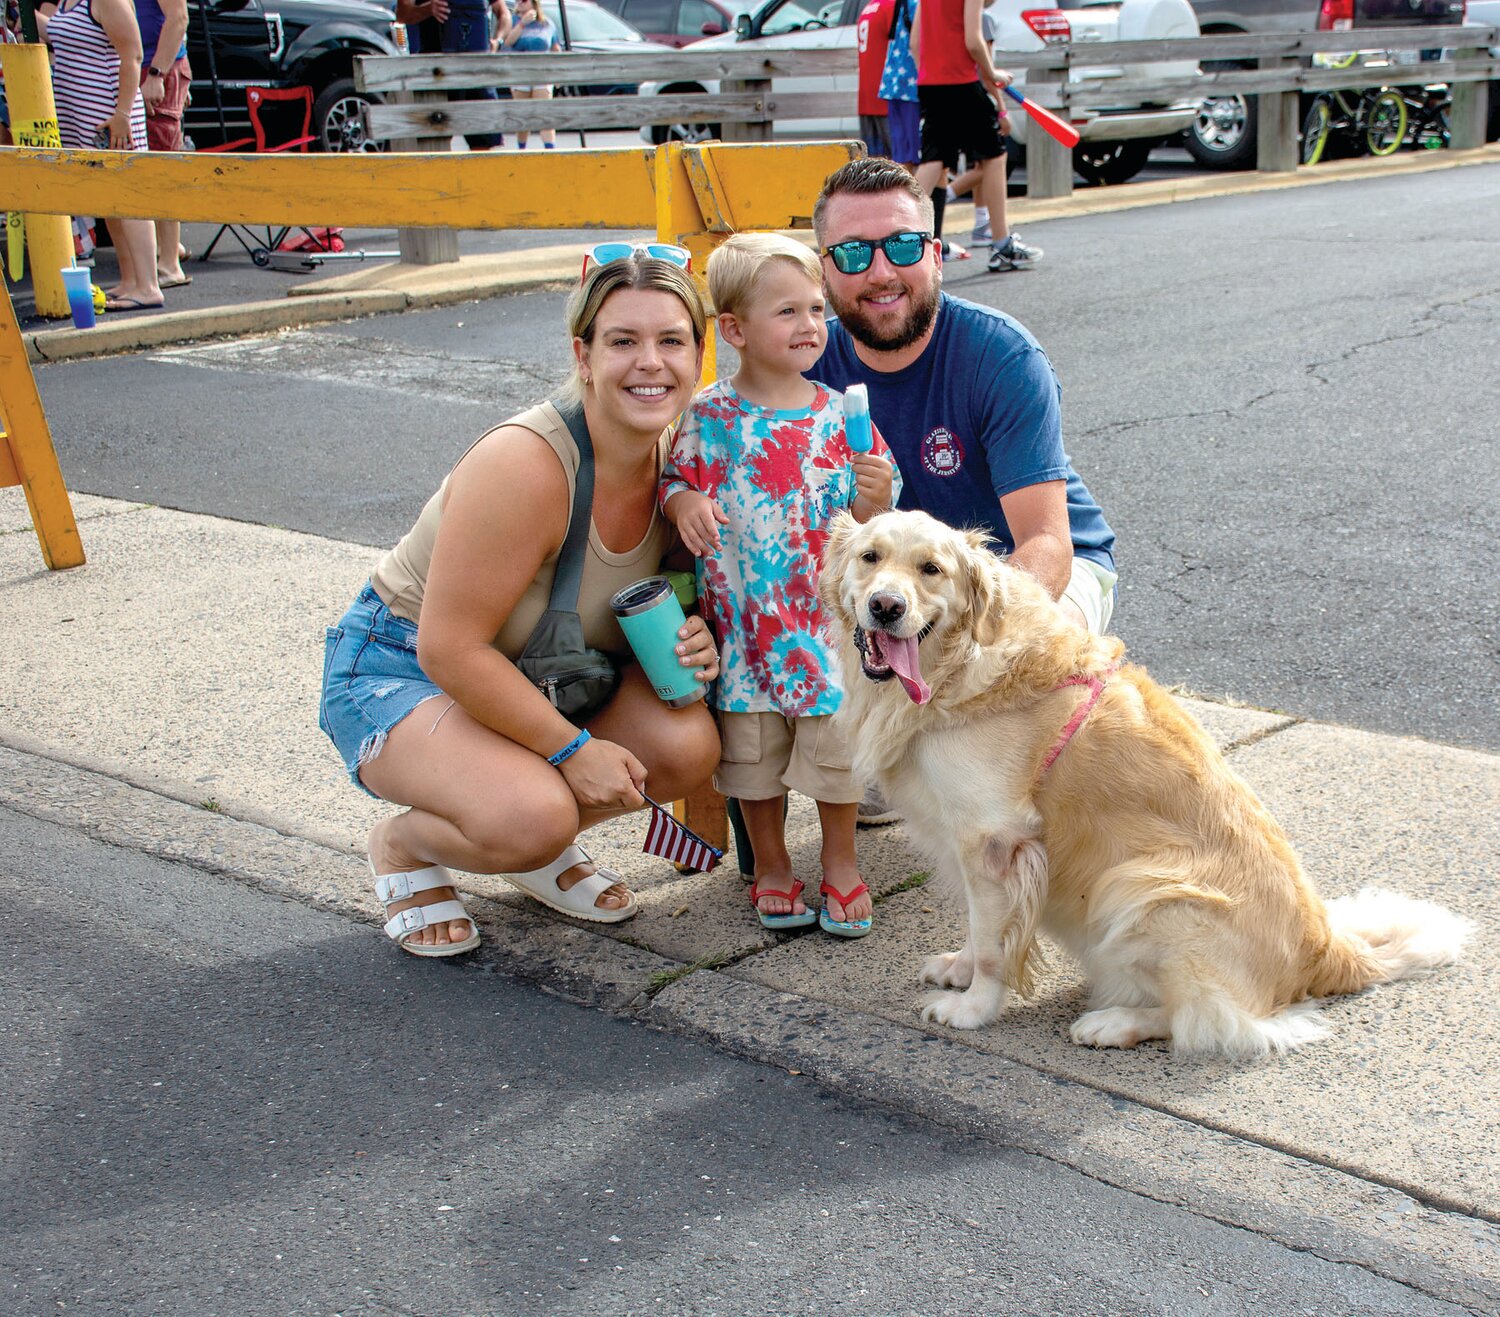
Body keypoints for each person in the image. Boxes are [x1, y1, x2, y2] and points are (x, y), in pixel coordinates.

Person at [319, 249, 721, 956]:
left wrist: (691, 637)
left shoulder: (680, 466)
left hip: (537, 674)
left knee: (686, 742)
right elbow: (448, 647)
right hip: (403, 666)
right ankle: (408, 844)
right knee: (531, 813)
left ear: (698, 353)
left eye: (671, 340)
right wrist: (572, 749)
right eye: (623, 340)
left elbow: (646, 606)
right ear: (584, 354)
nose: (649, 362)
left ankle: (535, 843)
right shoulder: (526, 463)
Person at [808, 157, 1115, 822]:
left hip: (1011, 574)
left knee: (1006, 717)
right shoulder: (802, 367)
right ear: (824, 268)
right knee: (851, 763)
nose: (882, 271)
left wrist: (983, 645)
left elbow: (1046, 541)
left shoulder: (999, 356)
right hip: (886, 584)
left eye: (904, 246)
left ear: (937, 253)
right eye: (854, 252)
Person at [660, 233, 901, 937]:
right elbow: (675, 479)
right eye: (787, 312)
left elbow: (871, 523)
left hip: (823, 634)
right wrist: (682, 502)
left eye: (816, 310)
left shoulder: (837, 415)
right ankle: (768, 862)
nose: (808, 326)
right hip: (743, 632)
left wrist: (876, 493)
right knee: (753, 764)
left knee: (835, 762)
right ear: (733, 329)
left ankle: (841, 861)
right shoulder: (709, 417)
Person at [38, 0, 162, 311]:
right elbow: (54, 32)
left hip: (110, 113)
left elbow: (133, 54)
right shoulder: (68, 2)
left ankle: (148, 285)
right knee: (109, 200)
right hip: (82, 115)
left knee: (128, 197)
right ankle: (129, 279)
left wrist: (122, 113)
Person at [910, 0, 1039, 273]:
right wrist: (993, 73)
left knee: (935, 160)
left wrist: (931, 71)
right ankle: (1002, 244)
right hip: (961, 82)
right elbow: (973, 39)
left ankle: (899, 233)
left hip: (931, 83)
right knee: (994, 155)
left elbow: (915, 42)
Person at [396, 0, 511, 150]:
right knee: (434, 147)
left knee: (483, 147)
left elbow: (504, 14)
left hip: (474, 74)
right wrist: (428, 9)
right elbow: (402, 15)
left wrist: (497, 41)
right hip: (435, 74)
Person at [133, 0, 191, 288]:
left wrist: (157, 75)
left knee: (160, 168)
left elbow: (179, 18)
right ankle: (169, 248)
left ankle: (170, 264)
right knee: (147, 165)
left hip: (155, 69)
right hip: (146, 66)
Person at [503, 0, 562, 150]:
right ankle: (521, 150)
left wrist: (559, 73)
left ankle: (550, 151)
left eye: (524, 1)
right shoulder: (514, 21)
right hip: (520, 74)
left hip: (542, 74)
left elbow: (555, 48)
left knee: (544, 114)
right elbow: (508, 42)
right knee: (523, 117)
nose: (520, 3)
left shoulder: (546, 23)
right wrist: (522, 23)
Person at [855, 0, 894, 162]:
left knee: (872, 166)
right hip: (886, 97)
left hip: (867, 97)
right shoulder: (891, 7)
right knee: (897, 165)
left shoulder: (869, 8)